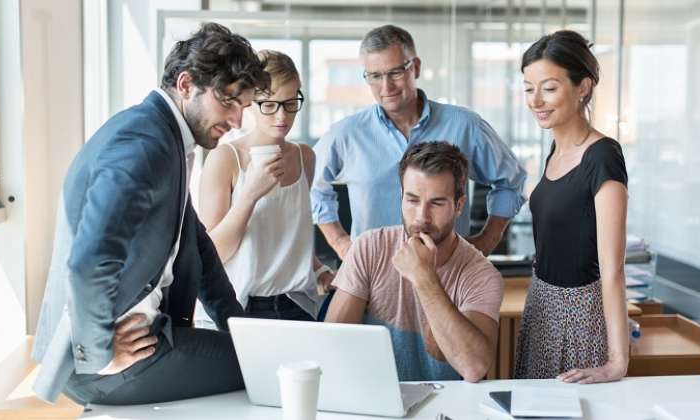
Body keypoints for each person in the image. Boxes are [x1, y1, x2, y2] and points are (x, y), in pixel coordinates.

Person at [31, 23, 270, 405]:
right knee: (270, 367)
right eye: (228, 101)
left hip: (143, 339)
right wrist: (99, 353)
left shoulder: (167, 138)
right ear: (186, 84)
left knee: (261, 354)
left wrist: (238, 327)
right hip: (108, 366)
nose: (238, 121)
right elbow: (91, 259)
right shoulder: (145, 144)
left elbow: (198, 246)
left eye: (243, 107)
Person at [311, 24, 527, 261]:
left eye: (395, 72)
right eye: (375, 76)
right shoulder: (346, 134)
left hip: (448, 273)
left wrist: (487, 240)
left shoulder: (465, 125)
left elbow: (511, 180)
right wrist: (340, 242)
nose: (386, 87)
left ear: (415, 68)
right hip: (372, 276)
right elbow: (311, 185)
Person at [325, 141, 504, 382]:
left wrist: (424, 277)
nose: (422, 217)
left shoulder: (482, 275)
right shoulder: (369, 247)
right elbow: (333, 344)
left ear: (458, 206)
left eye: (437, 203)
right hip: (375, 399)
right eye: (412, 200)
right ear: (401, 197)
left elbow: (473, 368)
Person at [514, 30, 629, 383]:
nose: (536, 100)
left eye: (549, 88)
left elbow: (613, 270)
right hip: (541, 305)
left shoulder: (603, 156)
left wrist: (617, 363)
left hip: (581, 314)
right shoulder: (554, 152)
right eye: (528, 88)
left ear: (583, 87)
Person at [198, 50, 332, 321]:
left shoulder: (305, 156)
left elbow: (290, 238)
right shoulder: (225, 159)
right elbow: (211, 256)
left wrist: (319, 270)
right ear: (250, 103)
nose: (282, 116)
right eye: (269, 104)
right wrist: (249, 195)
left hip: (299, 304)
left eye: (290, 102)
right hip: (242, 307)